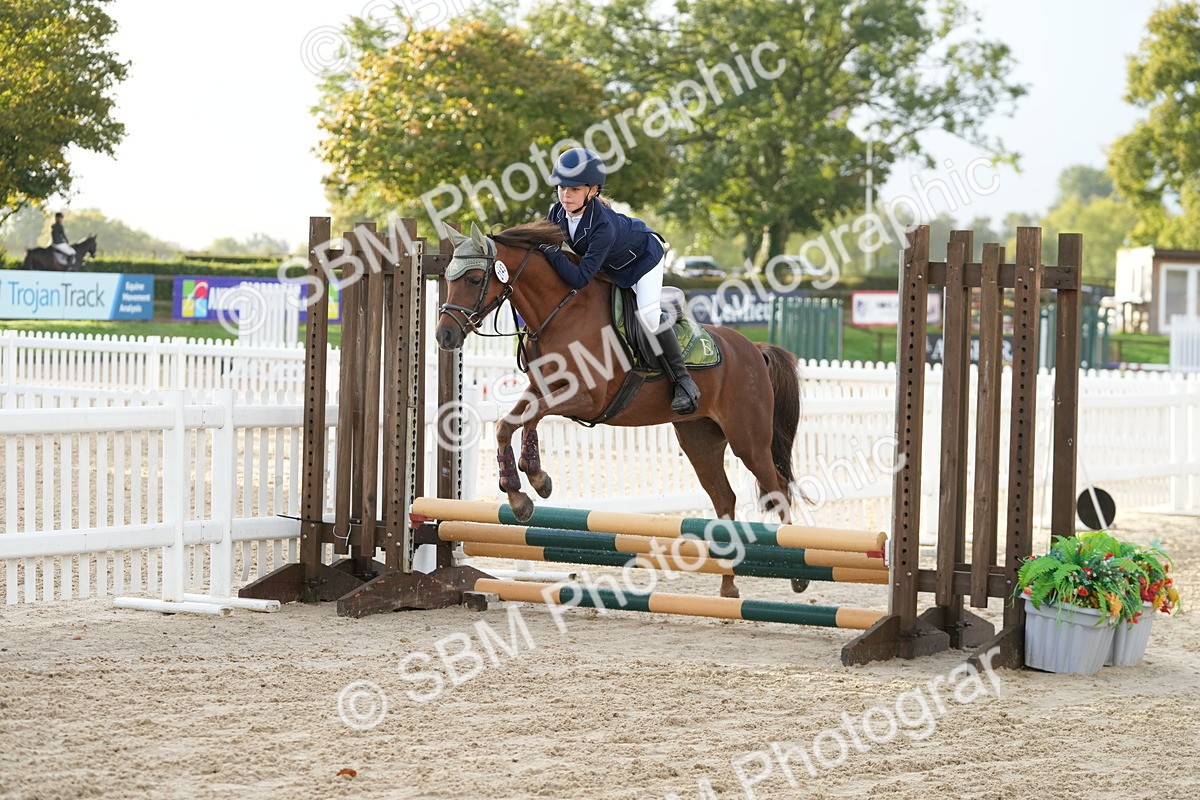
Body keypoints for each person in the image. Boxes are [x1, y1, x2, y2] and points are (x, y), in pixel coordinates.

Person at [536, 147, 700, 414]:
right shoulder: (556, 212)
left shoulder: (603, 226)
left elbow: (580, 278)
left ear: (593, 191)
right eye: (562, 187)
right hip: (611, 265)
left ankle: (683, 381)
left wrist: (553, 254)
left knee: (647, 316)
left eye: (575, 189)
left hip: (643, 260)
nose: (566, 195)